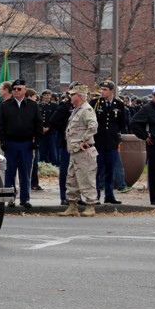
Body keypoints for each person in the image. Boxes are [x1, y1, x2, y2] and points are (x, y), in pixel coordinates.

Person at [0, 79, 42, 209]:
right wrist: (3, 140)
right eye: (14, 89)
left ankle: (25, 199)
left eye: (19, 89)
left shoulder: (32, 105)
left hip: (26, 143)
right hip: (11, 143)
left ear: (25, 90)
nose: (16, 91)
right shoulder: (5, 105)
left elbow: (38, 124)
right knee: (10, 172)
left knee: (25, 172)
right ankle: (10, 198)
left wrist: (36, 141)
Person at [59, 83, 98, 217]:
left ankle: (90, 206)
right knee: (72, 180)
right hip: (74, 151)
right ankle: (72, 206)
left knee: (87, 178)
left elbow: (93, 127)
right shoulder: (77, 110)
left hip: (84, 152)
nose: (70, 96)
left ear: (79, 96)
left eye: (72, 94)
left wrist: (84, 140)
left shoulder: (86, 110)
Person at [90, 80, 127, 205]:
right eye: (101, 89)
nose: (102, 92)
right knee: (97, 169)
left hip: (111, 141)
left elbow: (122, 122)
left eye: (105, 90)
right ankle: (95, 195)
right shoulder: (95, 103)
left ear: (112, 91)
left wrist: (114, 132)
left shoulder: (119, 104)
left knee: (110, 169)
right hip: (98, 141)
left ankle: (109, 195)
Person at [39, 89, 59, 165]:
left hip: (51, 131)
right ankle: (43, 164)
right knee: (42, 150)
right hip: (41, 131)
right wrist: (41, 127)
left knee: (52, 150)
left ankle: (54, 165)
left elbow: (55, 118)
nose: (47, 97)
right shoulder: (39, 105)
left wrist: (48, 127)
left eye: (48, 95)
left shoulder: (54, 105)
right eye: (45, 95)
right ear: (42, 96)